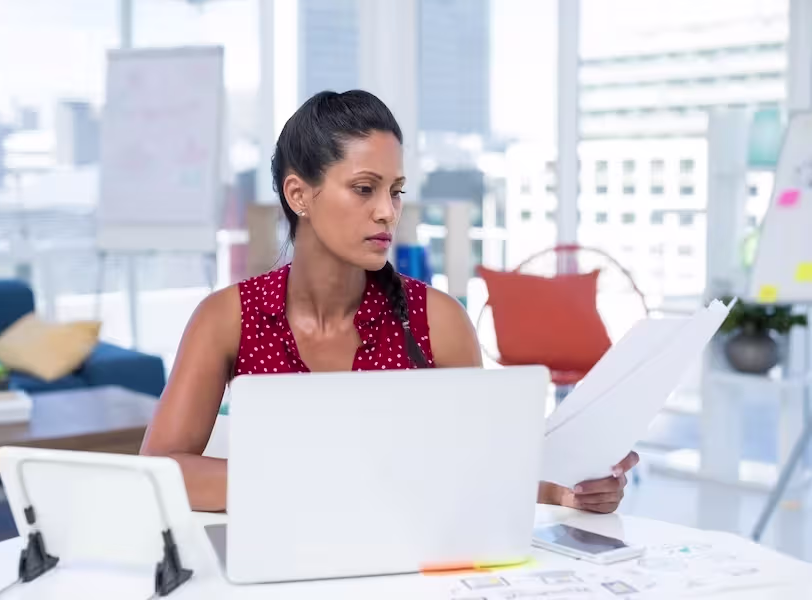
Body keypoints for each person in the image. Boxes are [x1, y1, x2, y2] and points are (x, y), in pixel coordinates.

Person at [141, 90, 639, 513]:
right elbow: (161, 471)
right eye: (364, 189)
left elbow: (479, 471)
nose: (387, 212)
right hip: (275, 570)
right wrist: (324, 485)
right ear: (299, 195)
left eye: (396, 191)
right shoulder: (228, 318)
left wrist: (566, 492)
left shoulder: (438, 322)